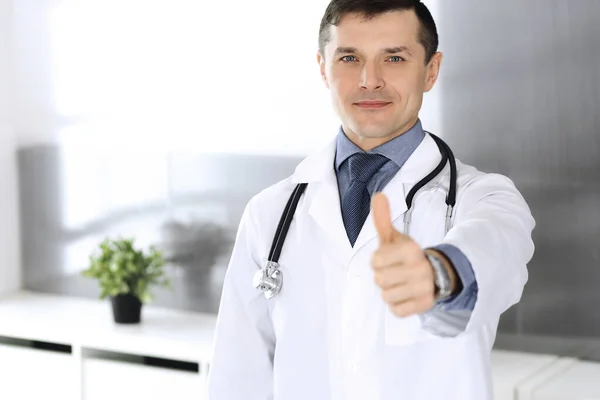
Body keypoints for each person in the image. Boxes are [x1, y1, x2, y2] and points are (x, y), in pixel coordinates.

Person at [207, 0, 535, 399]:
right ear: (323, 68)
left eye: (394, 58)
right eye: (349, 57)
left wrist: (437, 275)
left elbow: (493, 248)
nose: (370, 79)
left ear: (431, 70)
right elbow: (238, 375)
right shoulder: (270, 213)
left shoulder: (481, 197)